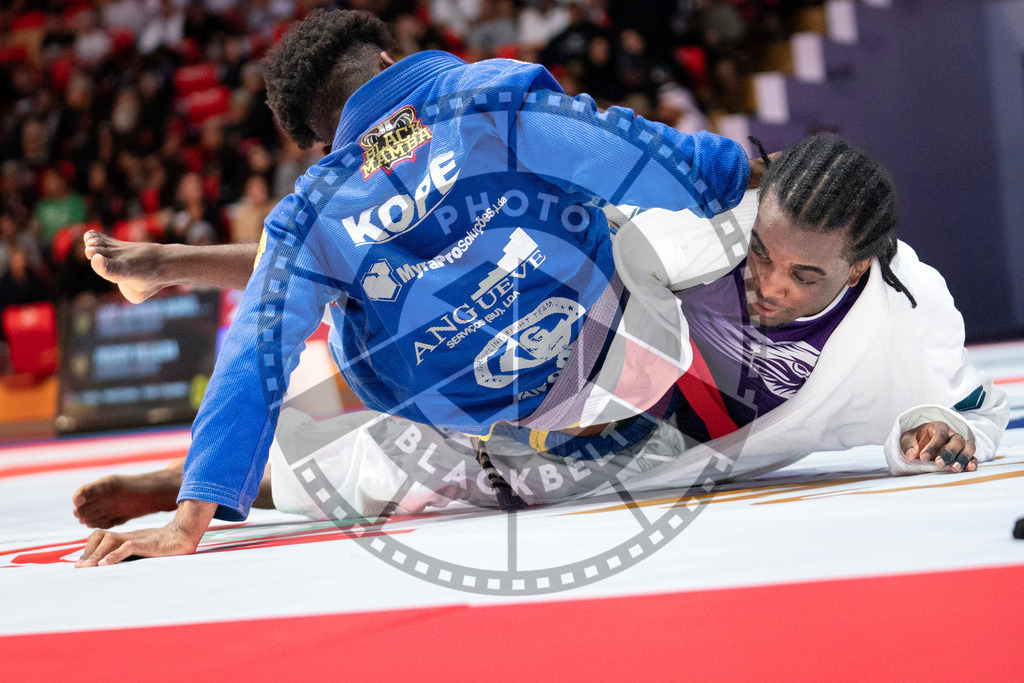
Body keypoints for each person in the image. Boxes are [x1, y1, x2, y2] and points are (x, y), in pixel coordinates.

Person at [74, 134, 1007, 549]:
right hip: (570, 372)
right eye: (764, 256)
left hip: (651, 453)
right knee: (410, 333)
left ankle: (244, 481)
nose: (770, 283)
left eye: (805, 278)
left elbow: (952, 405)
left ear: (861, 267)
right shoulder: (704, 210)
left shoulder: (909, 310)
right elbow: (395, 234)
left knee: (382, 475)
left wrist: (931, 429)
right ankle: (202, 450)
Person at [74, 9, 760, 566]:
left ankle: (216, 474)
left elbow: (253, 353)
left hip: (488, 427)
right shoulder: (488, 93)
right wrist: (750, 172)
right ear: (382, 62)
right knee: (624, 191)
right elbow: (643, 158)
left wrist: (189, 517)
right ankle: (187, 343)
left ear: (321, 137)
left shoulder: (309, 209)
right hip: (619, 335)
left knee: (353, 336)